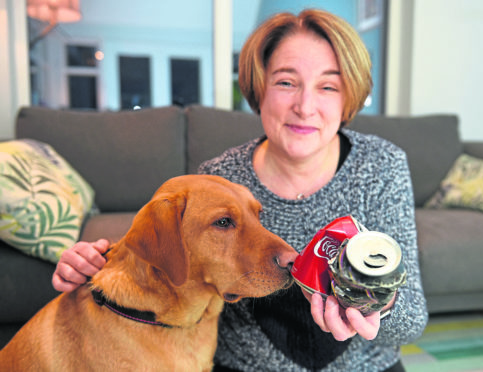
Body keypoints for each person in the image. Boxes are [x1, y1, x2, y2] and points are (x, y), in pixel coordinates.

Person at [52, 9, 428, 372]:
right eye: (285, 82)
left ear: (348, 97)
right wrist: (97, 265)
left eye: (328, 86)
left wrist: (372, 304)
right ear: (258, 88)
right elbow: (168, 265)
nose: (305, 106)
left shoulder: (381, 166)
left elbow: (412, 321)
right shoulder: (218, 177)